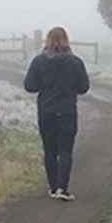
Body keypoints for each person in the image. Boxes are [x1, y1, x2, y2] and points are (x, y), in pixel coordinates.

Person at [24, 27, 90, 200]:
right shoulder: (75, 62)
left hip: (46, 111)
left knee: (50, 150)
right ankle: (62, 187)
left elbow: (30, 86)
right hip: (67, 111)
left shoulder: (39, 61)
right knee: (65, 150)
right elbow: (84, 88)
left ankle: (53, 187)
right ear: (66, 40)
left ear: (48, 41)